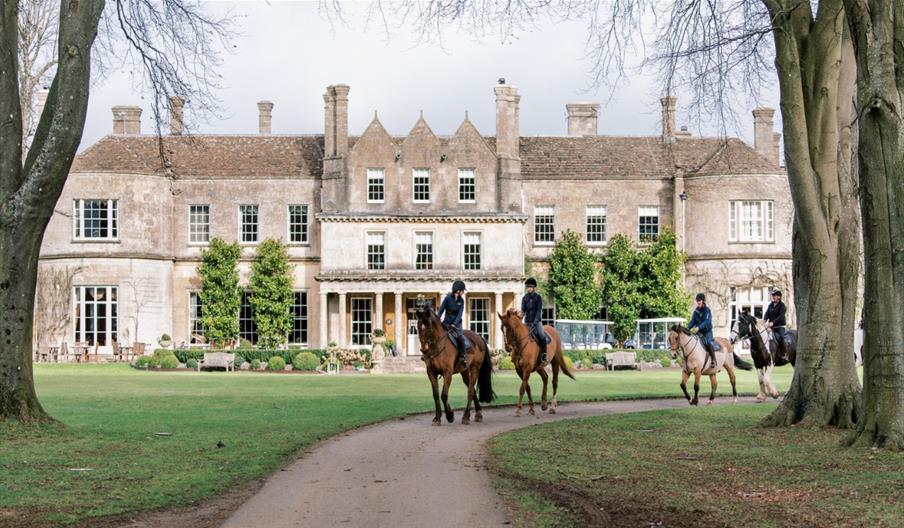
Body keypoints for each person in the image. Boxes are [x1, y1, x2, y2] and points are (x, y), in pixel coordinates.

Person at [437, 280, 468, 364]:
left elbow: (460, 314)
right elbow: (441, 309)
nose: (463, 292)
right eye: (462, 291)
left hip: (457, 324)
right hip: (446, 323)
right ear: (458, 290)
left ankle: (463, 355)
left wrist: (455, 324)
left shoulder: (461, 301)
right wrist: (437, 318)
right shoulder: (447, 298)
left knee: (460, 337)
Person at [521, 277, 549, 364]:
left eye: (530, 287)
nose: (528, 288)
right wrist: (519, 318)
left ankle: (544, 355)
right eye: (528, 287)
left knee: (541, 335)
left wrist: (535, 322)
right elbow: (523, 311)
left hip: (537, 322)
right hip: (527, 322)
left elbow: (538, 311)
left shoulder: (538, 298)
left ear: (534, 288)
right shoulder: (524, 298)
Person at [688, 292, 718, 369]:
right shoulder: (696, 311)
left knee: (708, 342)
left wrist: (698, 327)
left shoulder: (707, 310)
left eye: (699, 300)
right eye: (697, 300)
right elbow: (692, 322)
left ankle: (714, 360)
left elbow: (707, 322)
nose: (698, 302)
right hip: (699, 332)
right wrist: (687, 328)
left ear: (703, 301)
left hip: (707, 332)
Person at [764, 288, 788, 360]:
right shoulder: (770, 305)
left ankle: (785, 353)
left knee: (781, 338)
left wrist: (772, 322)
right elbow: (767, 314)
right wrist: (764, 320)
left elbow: (781, 317)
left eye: (775, 295)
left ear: (779, 297)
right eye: (773, 295)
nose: (773, 297)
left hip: (780, 327)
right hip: (772, 327)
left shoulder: (782, 305)